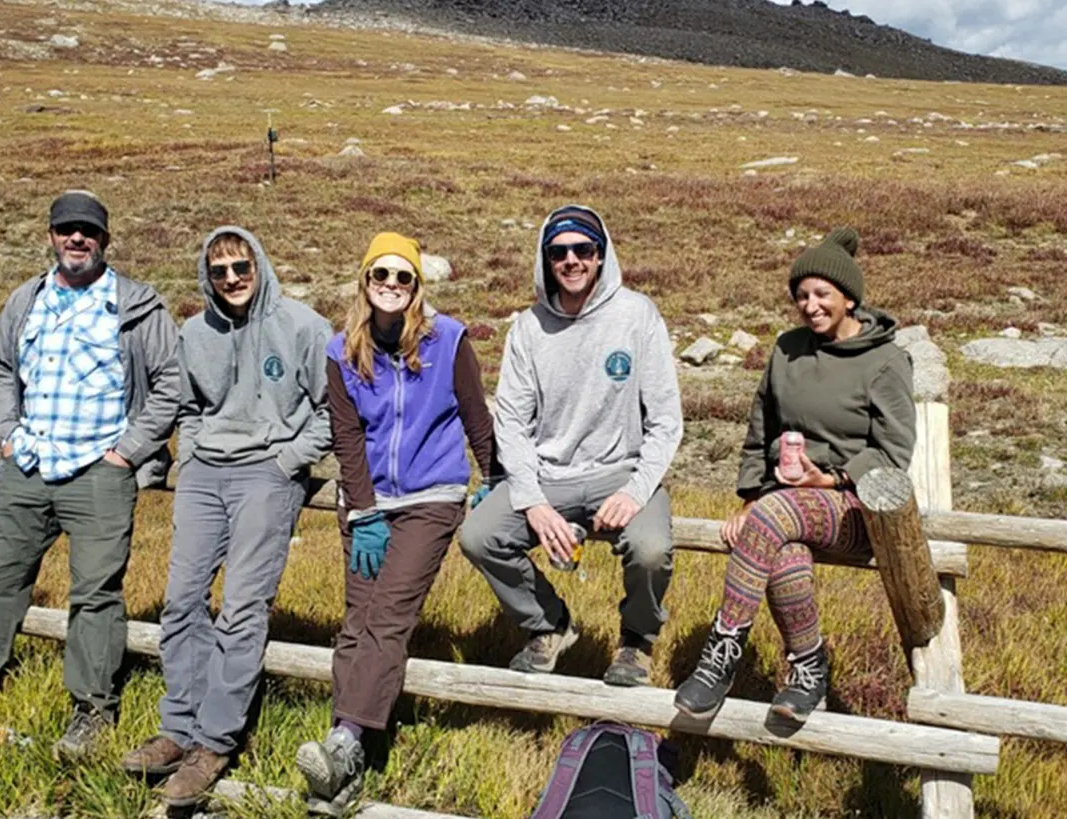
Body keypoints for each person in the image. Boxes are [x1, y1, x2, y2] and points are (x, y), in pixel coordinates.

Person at [0, 191, 180, 757]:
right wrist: (7, 429)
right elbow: (0, 364)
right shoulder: (28, 298)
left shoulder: (137, 305)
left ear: (105, 240)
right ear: (50, 235)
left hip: (99, 468)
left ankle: (91, 714)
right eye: (67, 229)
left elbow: (170, 382)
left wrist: (129, 451)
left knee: (95, 594)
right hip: (28, 466)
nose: (77, 239)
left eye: (88, 231)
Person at [120, 226, 333, 807]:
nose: (233, 280)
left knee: (242, 605)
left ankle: (213, 743)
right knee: (182, 599)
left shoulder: (305, 327)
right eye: (220, 272)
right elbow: (187, 407)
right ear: (206, 278)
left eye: (242, 267)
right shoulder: (195, 333)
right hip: (205, 473)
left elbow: (332, 408)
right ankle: (177, 728)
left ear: (259, 265)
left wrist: (288, 459)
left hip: (267, 473)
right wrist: (188, 457)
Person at [674, 227, 916, 723]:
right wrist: (750, 499)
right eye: (801, 295)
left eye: (822, 293)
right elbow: (759, 426)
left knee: (776, 516)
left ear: (849, 297)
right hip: (785, 507)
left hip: (857, 509)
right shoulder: (786, 350)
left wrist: (828, 480)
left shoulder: (885, 360)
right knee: (782, 552)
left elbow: (894, 451)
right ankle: (808, 670)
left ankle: (721, 652)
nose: (811, 305)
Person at [294, 233, 497, 814]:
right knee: (356, 623)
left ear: (416, 287)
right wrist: (363, 511)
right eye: (380, 275)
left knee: (388, 615)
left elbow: (474, 415)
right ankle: (342, 774)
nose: (391, 286)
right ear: (365, 282)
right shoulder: (340, 352)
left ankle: (345, 739)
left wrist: (496, 479)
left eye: (402, 277)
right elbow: (347, 436)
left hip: (431, 497)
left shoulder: (449, 340)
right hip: (368, 501)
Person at [459, 205, 683, 687]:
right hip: (548, 476)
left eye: (584, 249)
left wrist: (635, 491)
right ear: (545, 260)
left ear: (601, 256)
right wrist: (533, 502)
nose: (572, 261)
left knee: (650, 548)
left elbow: (666, 420)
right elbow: (513, 423)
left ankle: (636, 641)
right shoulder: (528, 327)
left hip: (620, 472)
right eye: (558, 252)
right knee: (479, 535)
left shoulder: (637, 316)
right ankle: (549, 625)